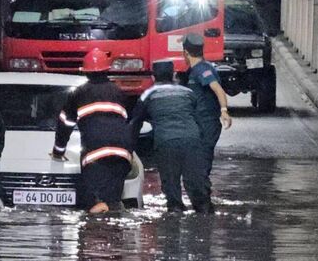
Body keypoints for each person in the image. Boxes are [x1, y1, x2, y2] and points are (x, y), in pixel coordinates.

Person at [51, 48, 132, 213]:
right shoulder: (119, 92)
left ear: (86, 72)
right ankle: (114, 234)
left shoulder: (79, 94)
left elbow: (65, 124)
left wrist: (58, 152)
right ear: (107, 70)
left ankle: (95, 232)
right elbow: (125, 123)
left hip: (96, 156)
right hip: (123, 155)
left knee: (95, 204)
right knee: (113, 202)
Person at [129, 60, 213, 213]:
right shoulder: (187, 92)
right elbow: (200, 120)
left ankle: (174, 221)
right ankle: (205, 219)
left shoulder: (148, 95)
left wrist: (129, 149)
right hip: (192, 140)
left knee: (171, 188)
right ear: (174, 75)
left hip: (166, 143)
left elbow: (135, 124)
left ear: (153, 77)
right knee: (197, 186)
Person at [182, 33, 232, 175]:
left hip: (206, 123)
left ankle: (203, 193)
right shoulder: (195, 70)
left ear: (185, 52)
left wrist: (224, 111)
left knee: (202, 162)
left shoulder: (203, 69)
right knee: (199, 162)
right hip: (200, 123)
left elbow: (218, 89)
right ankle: (202, 192)